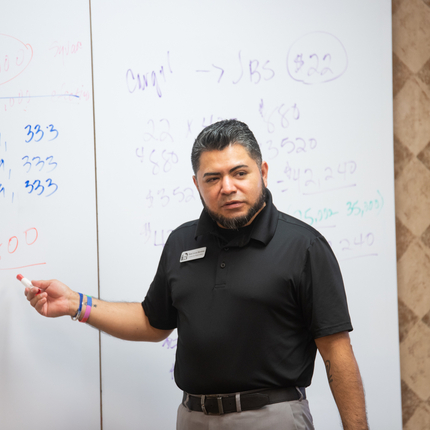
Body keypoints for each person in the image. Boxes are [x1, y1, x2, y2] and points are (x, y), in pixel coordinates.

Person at [26, 119, 368, 430]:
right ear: (197, 184)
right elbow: (152, 321)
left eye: (239, 173)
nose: (228, 187)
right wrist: (75, 303)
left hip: (272, 417)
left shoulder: (303, 246)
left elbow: (336, 350)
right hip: (193, 418)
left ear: (263, 171)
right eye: (213, 178)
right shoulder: (181, 241)